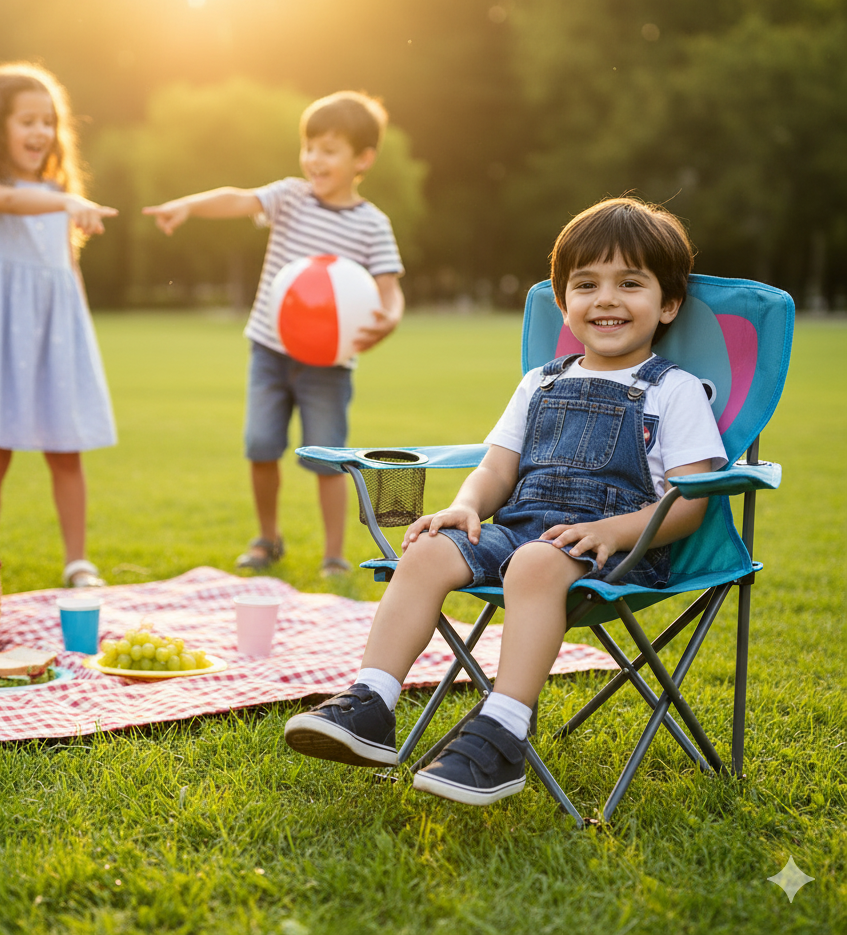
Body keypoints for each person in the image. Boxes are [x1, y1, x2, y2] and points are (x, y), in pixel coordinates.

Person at [283, 196, 728, 805]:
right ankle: (371, 702)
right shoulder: (541, 381)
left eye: (630, 283)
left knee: (536, 562)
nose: (606, 299)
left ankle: (504, 732)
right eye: (586, 284)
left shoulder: (675, 391)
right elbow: (497, 468)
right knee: (432, 549)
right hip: (517, 529)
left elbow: (691, 501)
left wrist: (615, 532)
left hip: (619, 552)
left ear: (668, 303)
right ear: (563, 301)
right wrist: (467, 504)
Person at [143, 91, 405, 577]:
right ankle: (268, 538)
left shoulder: (372, 224)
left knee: (330, 457)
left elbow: (390, 289)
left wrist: (388, 318)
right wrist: (188, 205)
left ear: (362, 159)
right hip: (269, 348)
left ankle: (334, 555)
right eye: (309, 146)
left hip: (329, 363)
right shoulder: (289, 197)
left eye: (329, 149)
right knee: (261, 446)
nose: (313, 158)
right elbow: (238, 199)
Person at [0, 63, 118, 588]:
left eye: (48, 122)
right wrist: (68, 200)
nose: (40, 132)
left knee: (66, 450)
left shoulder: (56, 192)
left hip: (56, 336)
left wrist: (80, 342)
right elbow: (10, 200)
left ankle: (78, 561)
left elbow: (67, 272)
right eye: (26, 120)